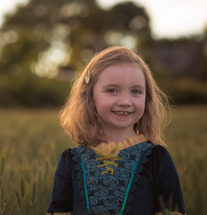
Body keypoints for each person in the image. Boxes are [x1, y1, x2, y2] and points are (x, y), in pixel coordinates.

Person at [47, 47, 186, 215]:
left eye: (136, 91)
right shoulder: (71, 161)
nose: (125, 101)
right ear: (90, 97)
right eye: (112, 90)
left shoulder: (156, 158)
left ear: (147, 98)